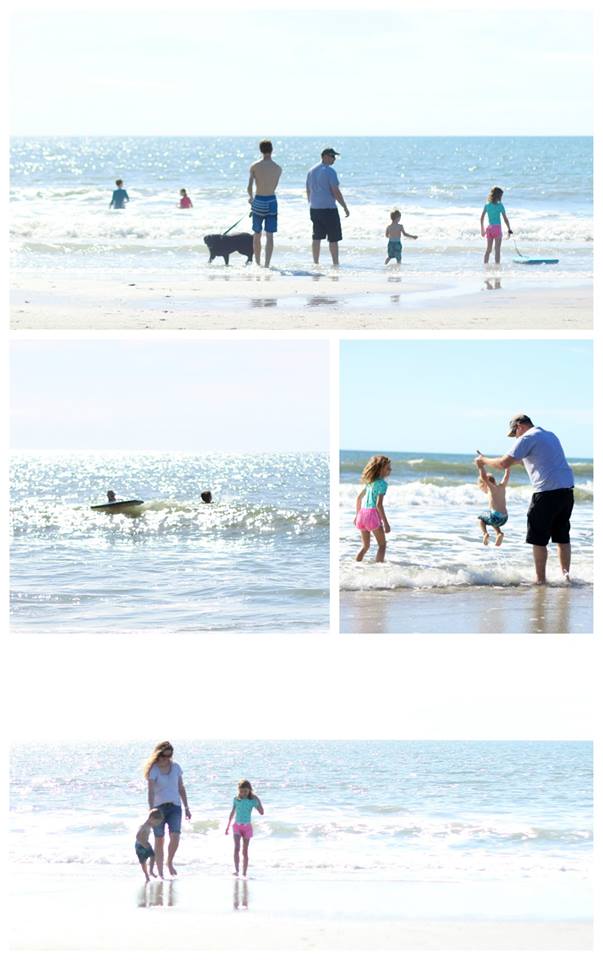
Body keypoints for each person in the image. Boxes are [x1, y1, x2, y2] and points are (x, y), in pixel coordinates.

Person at [475, 415, 574, 584]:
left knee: (538, 539)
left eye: (514, 434)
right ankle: (566, 577)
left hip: (546, 494)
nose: (516, 438)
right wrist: (502, 462)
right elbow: (525, 461)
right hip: (566, 493)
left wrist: (482, 461)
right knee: (562, 537)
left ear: (519, 426)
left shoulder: (527, 437)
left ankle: (540, 580)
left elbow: (503, 463)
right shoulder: (549, 435)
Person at [144, 741, 192, 878]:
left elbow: (181, 787)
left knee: (175, 836)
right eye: (163, 756)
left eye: (169, 756)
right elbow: (151, 791)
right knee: (159, 839)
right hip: (158, 809)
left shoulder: (176, 767)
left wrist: (187, 807)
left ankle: (169, 862)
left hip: (175, 807)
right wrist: (151, 809)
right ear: (158, 755)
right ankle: (160, 874)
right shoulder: (154, 769)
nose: (166, 759)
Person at [306, 148, 350, 266]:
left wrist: (311, 203)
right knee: (333, 238)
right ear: (325, 156)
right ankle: (335, 263)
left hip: (314, 208)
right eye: (332, 156)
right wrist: (344, 206)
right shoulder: (330, 171)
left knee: (317, 237)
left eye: (334, 156)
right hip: (328, 209)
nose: (334, 159)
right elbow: (335, 191)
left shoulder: (311, 170)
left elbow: (308, 191)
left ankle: (316, 263)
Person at [247, 140, 282, 267]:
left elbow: (249, 186)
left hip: (259, 200)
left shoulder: (254, 166)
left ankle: (257, 263)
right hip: (272, 200)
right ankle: (267, 264)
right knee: (270, 235)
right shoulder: (278, 168)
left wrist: (251, 198)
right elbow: (274, 185)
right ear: (272, 150)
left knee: (257, 234)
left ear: (260, 150)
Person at [354, 455, 392, 563]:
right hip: (372, 515)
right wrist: (386, 523)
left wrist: (357, 516)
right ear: (380, 469)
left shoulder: (369, 483)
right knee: (382, 545)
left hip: (362, 514)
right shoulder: (383, 484)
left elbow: (358, 499)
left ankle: (355, 567)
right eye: (388, 468)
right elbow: (378, 505)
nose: (390, 470)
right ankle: (379, 569)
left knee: (365, 547)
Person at [225, 779, 264, 877]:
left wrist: (257, 799)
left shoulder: (252, 801)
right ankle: (237, 870)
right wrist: (227, 826)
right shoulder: (236, 799)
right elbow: (232, 812)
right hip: (237, 826)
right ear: (239, 790)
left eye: (246, 791)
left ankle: (244, 873)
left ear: (249, 790)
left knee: (245, 851)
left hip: (247, 828)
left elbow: (261, 812)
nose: (243, 794)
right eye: (241, 791)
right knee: (236, 848)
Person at [476, 461, 510, 546]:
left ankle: (485, 534)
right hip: (504, 518)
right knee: (491, 517)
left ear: (485, 484)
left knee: (480, 519)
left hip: (495, 517)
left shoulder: (491, 488)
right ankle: (499, 533)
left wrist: (481, 467)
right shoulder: (502, 486)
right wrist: (507, 466)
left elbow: (484, 477)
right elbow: (506, 476)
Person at [480, 186, 512, 264]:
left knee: (488, 250)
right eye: (501, 195)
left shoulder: (487, 205)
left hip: (489, 228)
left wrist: (482, 230)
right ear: (498, 196)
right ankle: (497, 267)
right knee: (497, 250)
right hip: (497, 229)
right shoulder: (500, 205)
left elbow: (481, 218)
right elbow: (505, 219)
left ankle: (485, 266)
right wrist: (509, 229)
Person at [135, 808, 164, 882]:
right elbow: (137, 836)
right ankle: (146, 875)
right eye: (157, 822)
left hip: (146, 843)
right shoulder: (144, 826)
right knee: (143, 861)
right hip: (140, 845)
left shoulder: (150, 825)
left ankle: (151, 871)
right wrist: (143, 843)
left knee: (153, 856)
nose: (157, 824)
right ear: (151, 818)